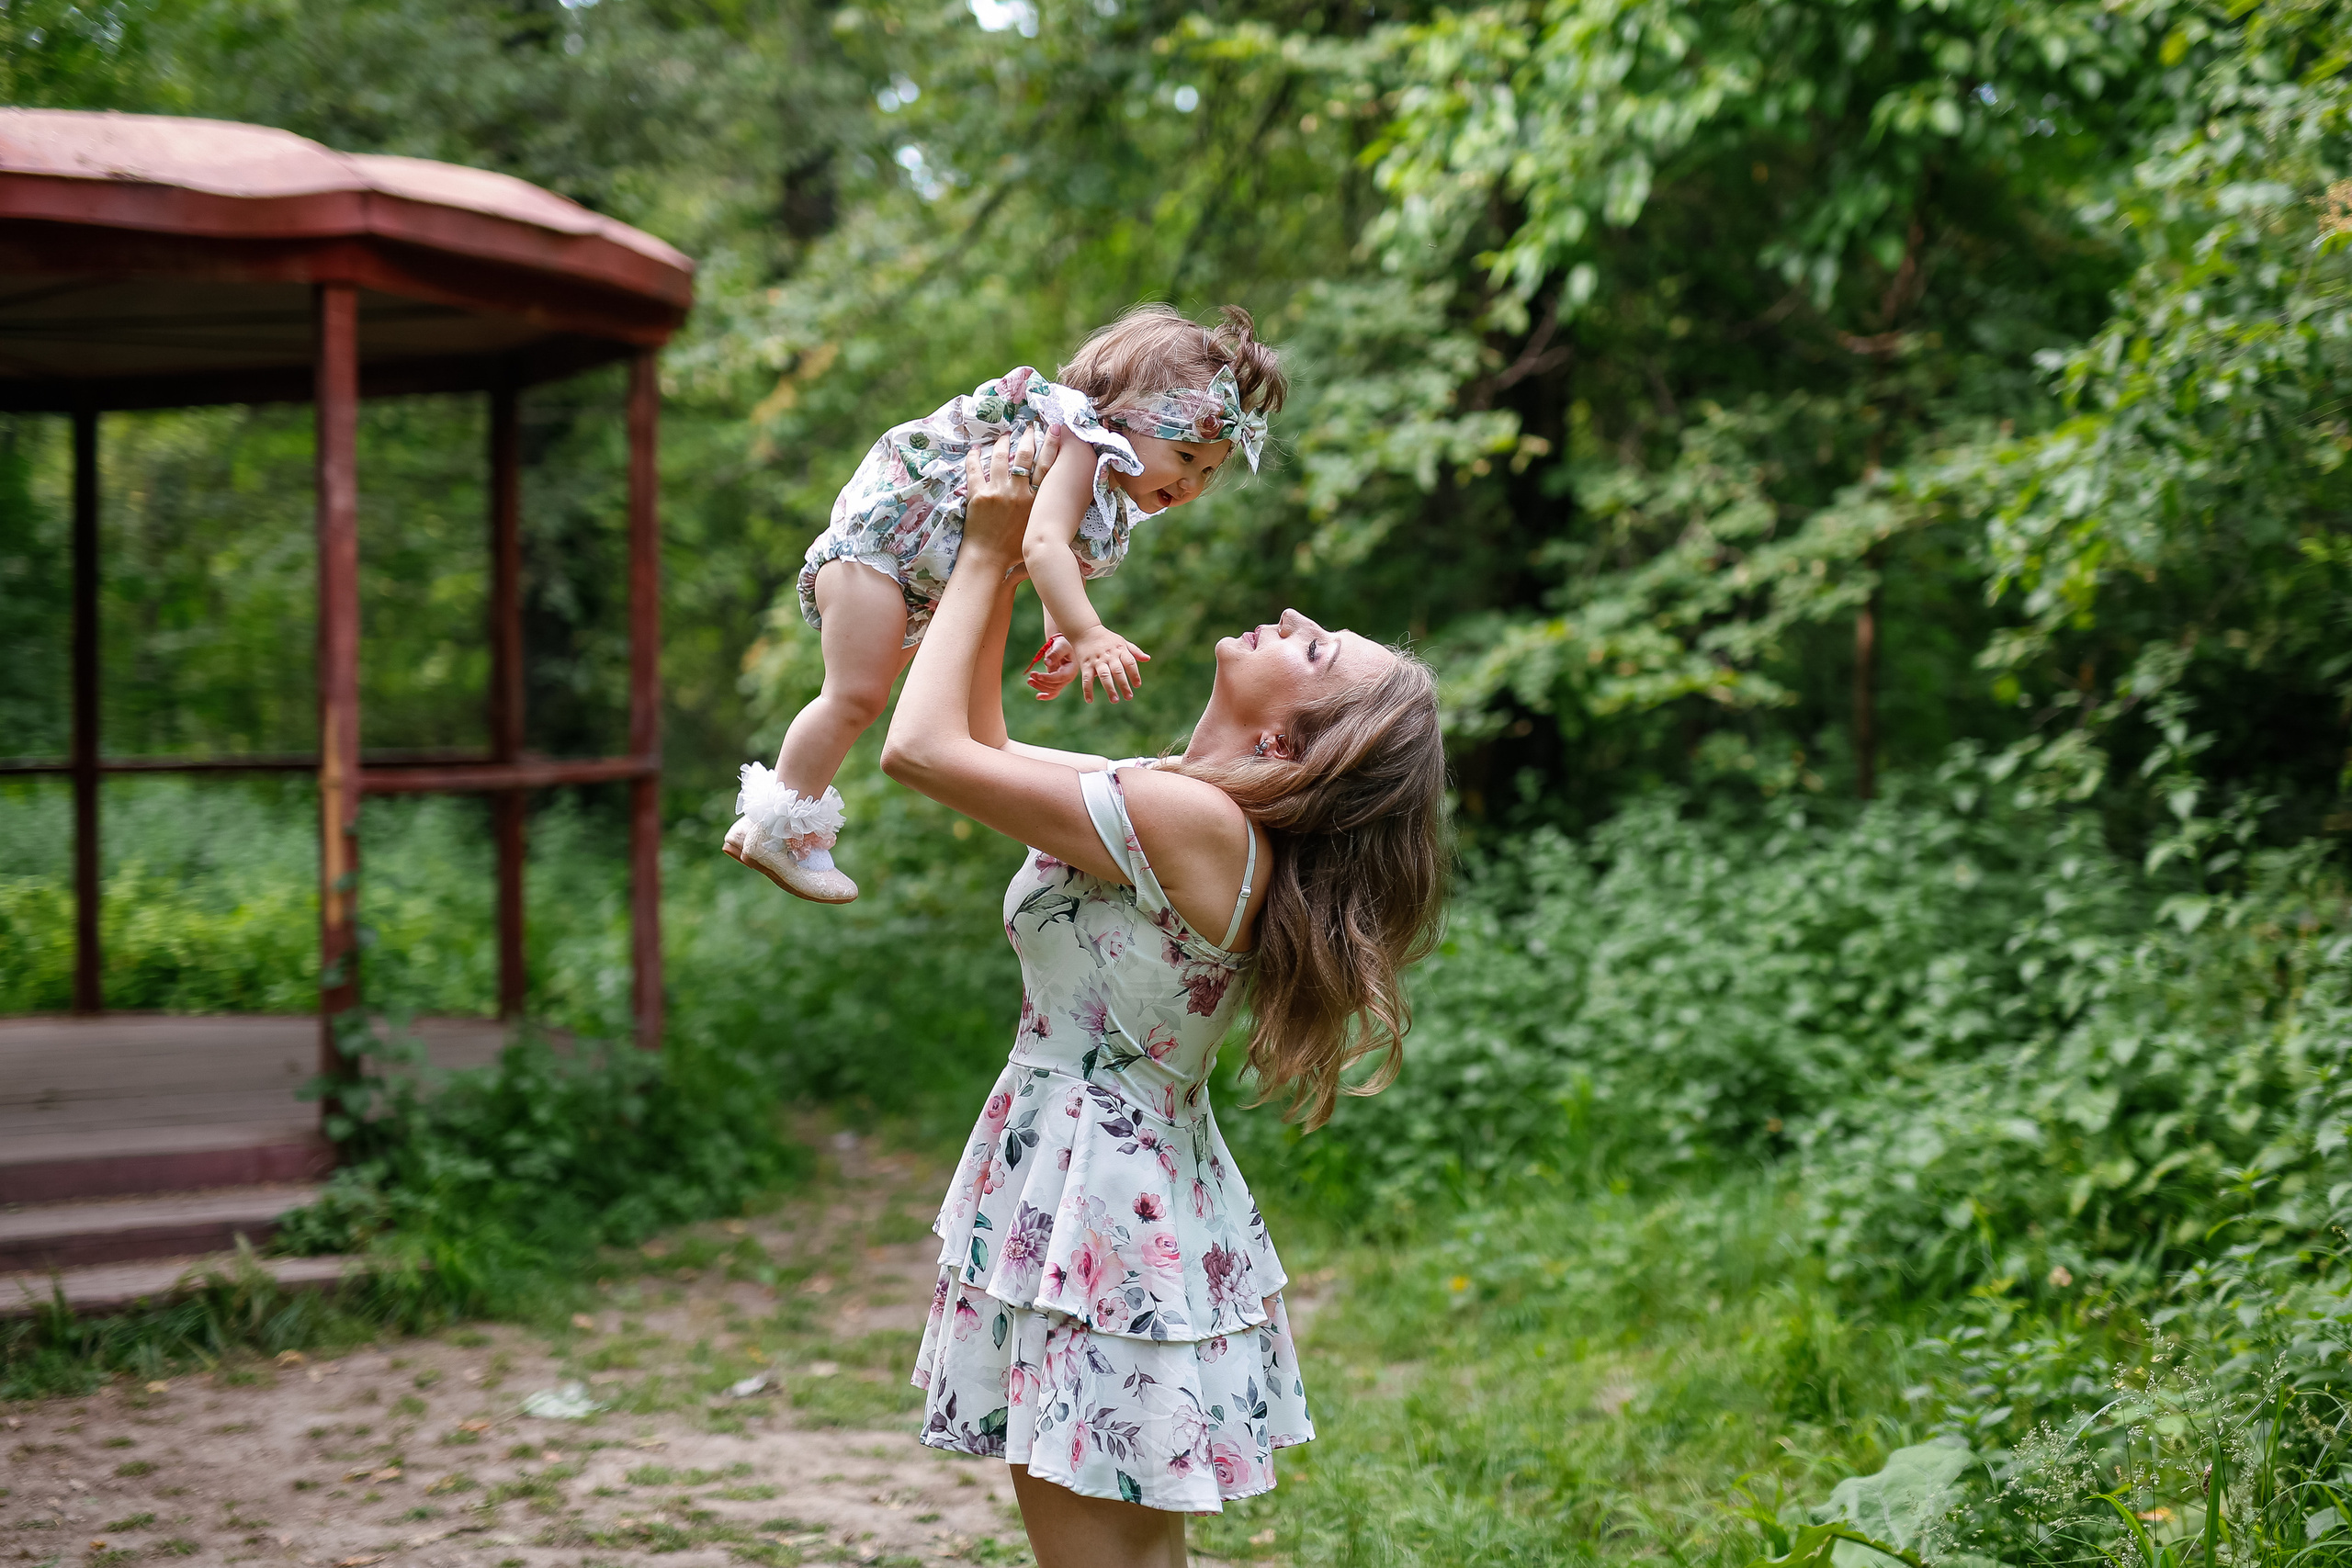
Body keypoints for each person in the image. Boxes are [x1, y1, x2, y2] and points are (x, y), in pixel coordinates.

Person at [879, 430, 1449, 1567]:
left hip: (1097, 1193)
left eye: (1316, 645)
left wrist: (993, 547)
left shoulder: (1193, 823)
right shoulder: (1186, 803)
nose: (1290, 617)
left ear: (1294, 735)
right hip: (1126, 1181)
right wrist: (1018, 572)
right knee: (1137, 1556)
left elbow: (919, 748)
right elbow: (980, 741)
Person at [724, 304, 1285, 904]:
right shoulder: (1082, 441)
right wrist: (1089, 631)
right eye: (1184, 457)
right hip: (882, 551)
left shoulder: (1096, 471)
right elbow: (1041, 544)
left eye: (1209, 470)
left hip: (907, 575)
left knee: (863, 697)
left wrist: (1061, 632)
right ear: (1125, 419)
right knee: (855, 696)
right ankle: (778, 830)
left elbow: (1051, 550)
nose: (1192, 484)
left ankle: (764, 825)